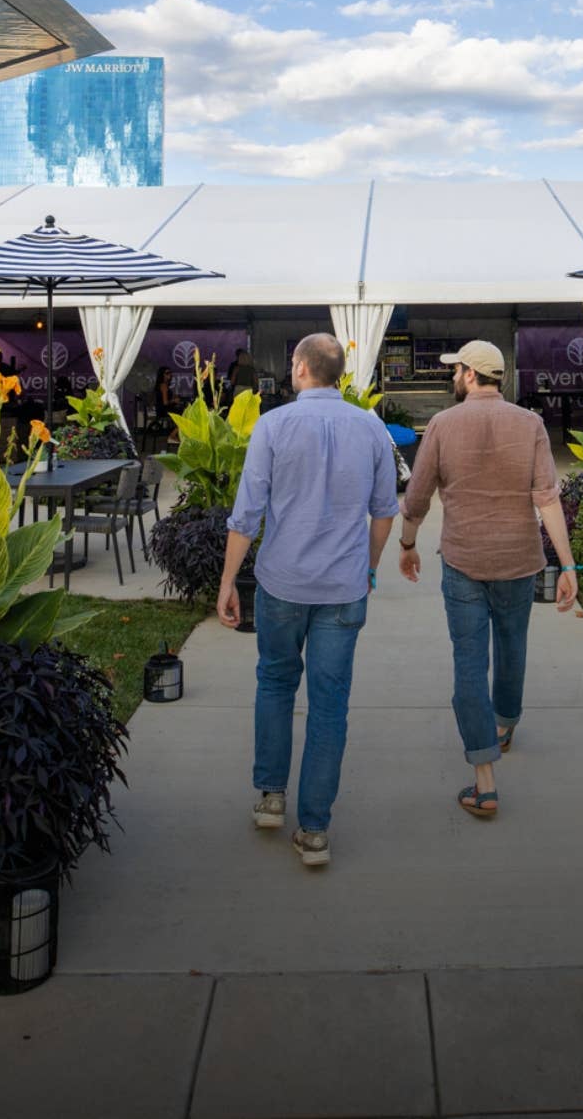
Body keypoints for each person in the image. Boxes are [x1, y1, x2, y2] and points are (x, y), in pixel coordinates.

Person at [217, 333, 398, 868]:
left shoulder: (272, 425)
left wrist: (228, 581)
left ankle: (272, 797)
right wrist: (368, 566)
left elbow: (247, 515)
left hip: (281, 584)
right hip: (343, 588)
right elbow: (385, 510)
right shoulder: (370, 426)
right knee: (330, 704)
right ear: (338, 373)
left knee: (274, 681)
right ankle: (315, 829)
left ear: (299, 368)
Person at [397, 340, 577, 820]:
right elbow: (547, 498)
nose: (452, 376)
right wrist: (568, 565)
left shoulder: (442, 424)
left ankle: (484, 778)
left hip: (463, 562)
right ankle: (504, 723)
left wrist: (408, 544)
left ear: (472, 374)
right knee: (512, 645)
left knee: (469, 663)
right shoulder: (531, 424)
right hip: (520, 560)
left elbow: (416, 497)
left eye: (456, 369)